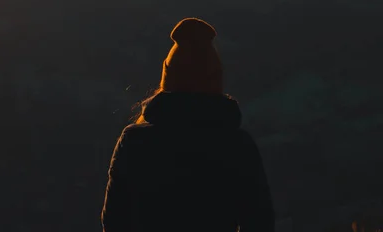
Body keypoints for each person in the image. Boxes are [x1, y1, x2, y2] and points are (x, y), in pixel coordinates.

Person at [101, 17, 275, 232]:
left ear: (168, 77)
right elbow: (259, 221)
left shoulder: (135, 141)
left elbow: (115, 221)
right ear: (215, 80)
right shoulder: (237, 145)